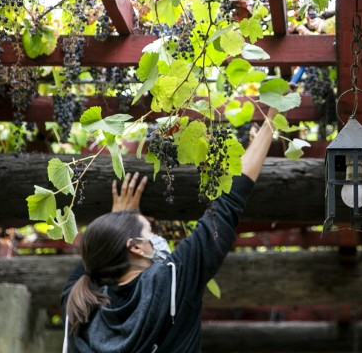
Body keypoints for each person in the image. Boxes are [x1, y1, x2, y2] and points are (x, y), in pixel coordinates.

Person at [60, 109, 276, 353]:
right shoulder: (172, 281)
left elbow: (93, 263)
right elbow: (228, 203)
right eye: (150, 230)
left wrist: (118, 222)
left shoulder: (78, 311)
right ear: (136, 246)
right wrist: (272, 118)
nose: (156, 237)